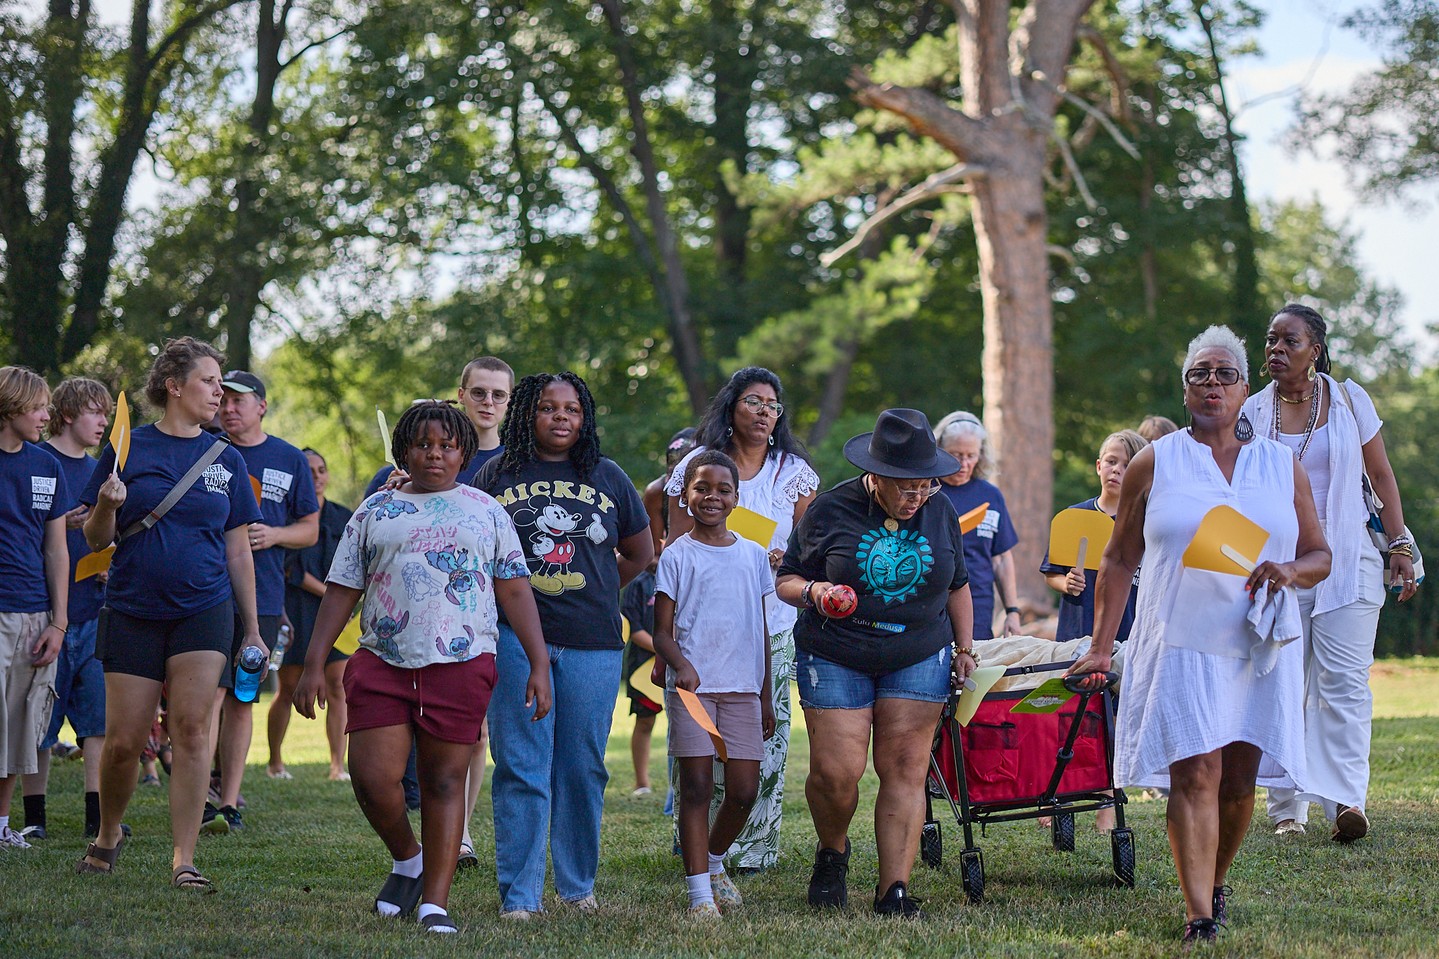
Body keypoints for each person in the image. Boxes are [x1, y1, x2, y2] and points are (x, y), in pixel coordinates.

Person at [1067, 326, 1331, 943]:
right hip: (1181, 639)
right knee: (1197, 773)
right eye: (1199, 374)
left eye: (1224, 374)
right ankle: (1199, 915)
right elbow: (1116, 560)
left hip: (1256, 644)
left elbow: (1321, 554)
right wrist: (1103, 645)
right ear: (1185, 389)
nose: (1212, 384)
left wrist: (1289, 570)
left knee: (1239, 780)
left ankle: (1213, 879)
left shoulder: (1279, 464)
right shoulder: (1155, 462)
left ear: (1245, 388)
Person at [293, 401, 549, 933]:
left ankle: (435, 899)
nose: (435, 454)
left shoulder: (485, 510)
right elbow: (343, 587)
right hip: (383, 660)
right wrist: (314, 662)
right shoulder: (375, 511)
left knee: (444, 782)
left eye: (447, 445)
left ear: (464, 452)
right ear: (403, 451)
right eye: (424, 444)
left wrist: (538, 660)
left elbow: (515, 587)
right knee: (371, 778)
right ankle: (407, 856)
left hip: (461, 661)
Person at [77, 337, 264, 890]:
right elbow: (95, 539)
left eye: (222, 384)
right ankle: (109, 833)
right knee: (125, 742)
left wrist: (251, 627)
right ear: (174, 386)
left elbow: (238, 549)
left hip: (204, 610)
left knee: (191, 727)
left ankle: (183, 857)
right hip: (133, 607)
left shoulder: (226, 457)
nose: (219, 393)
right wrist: (107, 506)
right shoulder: (127, 447)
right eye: (209, 382)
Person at [776, 409, 975, 918]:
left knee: (905, 767)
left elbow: (957, 584)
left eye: (926, 484)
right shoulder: (830, 508)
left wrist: (966, 648)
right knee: (837, 772)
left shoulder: (941, 509)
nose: (918, 495)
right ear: (877, 476)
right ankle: (833, 850)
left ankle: (894, 890)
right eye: (906, 486)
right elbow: (788, 580)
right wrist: (818, 591)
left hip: (918, 651)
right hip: (837, 649)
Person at [471, 371, 652, 918]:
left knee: (583, 767)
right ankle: (520, 897)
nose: (561, 418)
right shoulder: (495, 475)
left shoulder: (608, 475)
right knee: (522, 765)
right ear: (528, 412)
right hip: (514, 641)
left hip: (594, 645)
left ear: (585, 416)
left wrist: (597, 590)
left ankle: (576, 888)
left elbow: (639, 555)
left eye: (572, 409)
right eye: (549, 408)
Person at [1242, 303, 1418, 843]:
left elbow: (1381, 474)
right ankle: (1287, 810)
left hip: (1349, 565)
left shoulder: (1348, 400)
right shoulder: (1251, 411)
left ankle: (1346, 800)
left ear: (1315, 349)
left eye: (1289, 341)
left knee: (1345, 685)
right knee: (1282, 685)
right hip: (1279, 569)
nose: (1276, 349)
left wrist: (1401, 543)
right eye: (1271, 340)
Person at [665, 367, 818, 873]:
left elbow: (811, 548)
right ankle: (693, 847)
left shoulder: (792, 471)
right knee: (699, 749)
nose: (764, 412)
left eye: (773, 405)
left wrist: (781, 560)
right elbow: (677, 546)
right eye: (754, 402)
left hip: (767, 625)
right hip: (698, 630)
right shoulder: (699, 467)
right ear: (732, 406)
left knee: (761, 747)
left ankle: (747, 850)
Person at [363, 357, 513, 863]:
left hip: (488, 613)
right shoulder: (419, 457)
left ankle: (462, 833)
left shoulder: (515, 463)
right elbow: (370, 540)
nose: (488, 403)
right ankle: (422, 838)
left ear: (509, 403)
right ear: (461, 394)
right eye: (479, 393)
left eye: (499, 395)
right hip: (418, 616)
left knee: (478, 729)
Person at [652, 450, 775, 918]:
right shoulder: (678, 556)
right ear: (685, 495)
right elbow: (663, 632)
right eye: (702, 488)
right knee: (698, 786)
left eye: (723, 490)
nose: (712, 497)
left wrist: (764, 696)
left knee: (744, 790)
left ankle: (715, 861)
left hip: (744, 689)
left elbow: (760, 629)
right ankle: (700, 893)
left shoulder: (752, 555)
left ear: (736, 498)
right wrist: (681, 664)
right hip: (693, 691)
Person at [206, 371, 318, 834]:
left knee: (241, 698)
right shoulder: (206, 449)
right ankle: (199, 795)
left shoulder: (288, 458)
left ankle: (229, 801)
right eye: (224, 399)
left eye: (240, 400)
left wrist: (274, 534)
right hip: (206, 595)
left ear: (262, 406)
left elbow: (309, 528)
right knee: (205, 697)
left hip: (264, 601)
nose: (229, 408)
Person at [20, 378, 112, 841]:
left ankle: (97, 818)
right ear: (69, 413)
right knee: (41, 720)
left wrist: (106, 561)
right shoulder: (38, 462)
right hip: (46, 615)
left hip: (94, 612)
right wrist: (58, 525)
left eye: (106, 413)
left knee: (96, 722)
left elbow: (112, 535)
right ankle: (34, 817)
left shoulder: (100, 472)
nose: (103, 422)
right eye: (95, 412)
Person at [0, 366, 70, 850]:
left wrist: (59, 622)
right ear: (10, 407)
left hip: (34, 615)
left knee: (18, 725)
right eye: (39, 406)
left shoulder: (47, 465)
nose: (48, 415)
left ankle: (1, 826)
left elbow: (56, 549)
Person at [268, 448, 352, 781]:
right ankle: (275, 762)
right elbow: (294, 574)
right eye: (308, 470)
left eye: (321, 469)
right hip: (297, 612)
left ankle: (337, 766)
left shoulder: (342, 516)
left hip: (338, 616)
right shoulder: (286, 519)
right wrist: (335, 595)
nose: (316, 476)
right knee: (287, 688)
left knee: (338, 688)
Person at [1040, 430, 1148, 644]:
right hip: (1076, 637)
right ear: (1099, 466)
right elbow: (1051, 574)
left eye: (1127, 465)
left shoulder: (1146, 525)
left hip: (1128, 640)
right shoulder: (1074, 517)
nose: (1116, 470)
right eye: (1111, 461)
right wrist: (1066, 584)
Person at [932, 411, 1022, 641]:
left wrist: (1012, 611)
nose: (964, 464)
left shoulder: (990, 495)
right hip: (931, 603)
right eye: (956, 455)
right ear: (940, 450)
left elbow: (1001, 558)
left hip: (978, 604)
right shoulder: (926, 490)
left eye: (971, 455)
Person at [621, 561, 661, 797]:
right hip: (643, 668)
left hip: (681, 664)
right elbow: (633, 629)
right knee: (645, 721)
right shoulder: (637, 583)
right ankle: (642, 782)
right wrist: (664, 648)